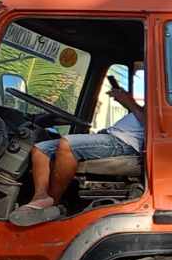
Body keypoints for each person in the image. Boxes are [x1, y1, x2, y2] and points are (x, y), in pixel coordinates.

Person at [19, 70, 143, 214]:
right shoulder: (151, 103)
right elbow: (140, 115)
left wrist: (128, 101)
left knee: (67, 145)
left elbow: (150, 123)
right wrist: (126, 101)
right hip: (111, 135)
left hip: (124, 143)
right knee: (40, 149)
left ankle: (52, 202)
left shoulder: (163, 104)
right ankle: (41, 196)